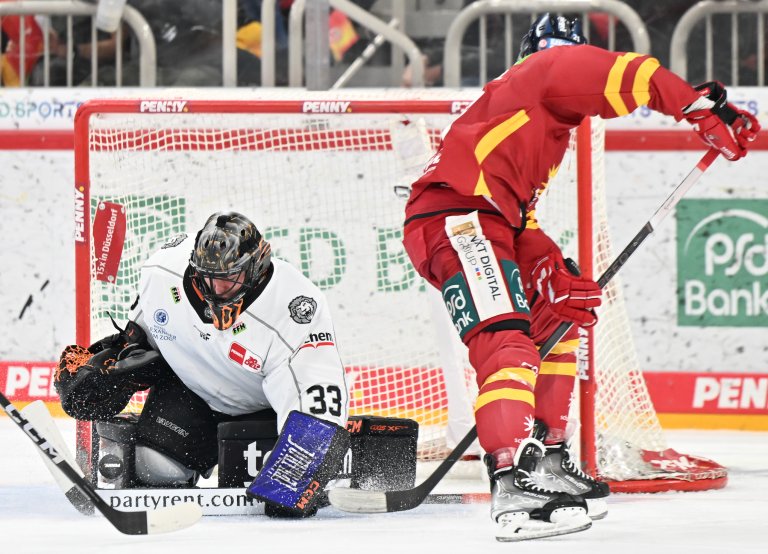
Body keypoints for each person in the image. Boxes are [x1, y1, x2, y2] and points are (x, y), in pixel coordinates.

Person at [401, 13, 760, 541]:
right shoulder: (548, 68)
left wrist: (549, 264)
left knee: (564, 308)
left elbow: (517, 212)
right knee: (505, 342)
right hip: (458, 221)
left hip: (494, 221)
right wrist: (699, 107)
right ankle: (511, 480)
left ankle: (545, 456)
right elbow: (629, 72)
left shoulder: (535, 114)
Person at [55, 211, 351, 517]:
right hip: (196, 390)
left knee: (283, 494)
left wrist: (297, 474)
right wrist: (115, 366)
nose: (216, 290)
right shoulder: (162, 271)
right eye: (208, 278)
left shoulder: (296, 308)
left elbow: (319, 408)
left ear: (255, 270)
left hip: (267, 409)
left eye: (229, 279)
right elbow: (143, 338)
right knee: (153, 468)